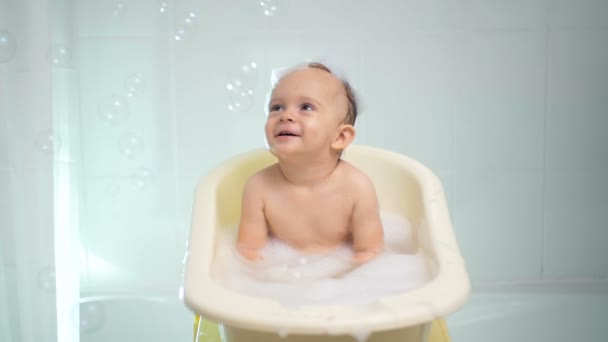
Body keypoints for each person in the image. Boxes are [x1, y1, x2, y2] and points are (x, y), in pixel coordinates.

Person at [237, 62, 384, 264]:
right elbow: (249, 252)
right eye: (276, 107)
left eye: (306, 107)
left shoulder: (357, 188)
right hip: (281, 279)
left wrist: (344, 284)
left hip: (343, 282)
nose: (285, 116)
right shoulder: (258, 187)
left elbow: (370, 253)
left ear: (340, 137)